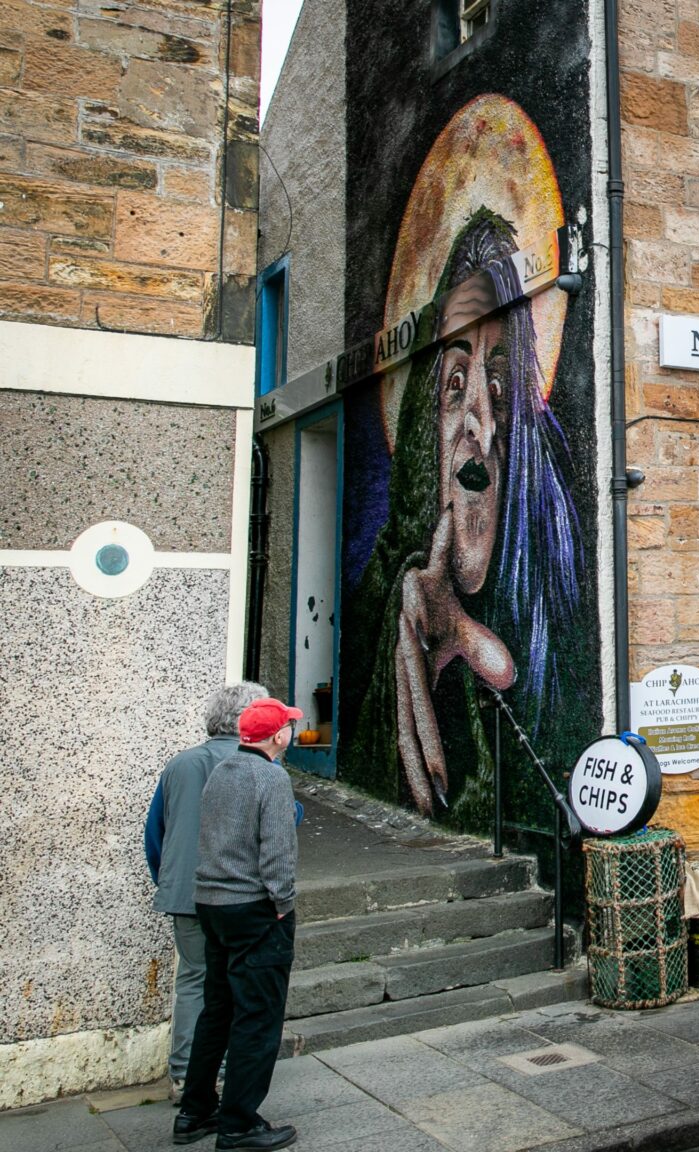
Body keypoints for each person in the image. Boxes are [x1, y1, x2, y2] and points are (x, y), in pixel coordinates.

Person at [341, 207, 584, 828]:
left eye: (499, 387)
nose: (479, 419)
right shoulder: (389, 585)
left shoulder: (557, 557)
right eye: (455, 383)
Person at [172, 696, 301, 1151]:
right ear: (276, 736)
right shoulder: (271, 777)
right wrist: (283, 904)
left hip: (211, 904)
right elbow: (277, 854)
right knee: (258, 1017)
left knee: (218, 1008)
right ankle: (239, 1123)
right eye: (287, 725)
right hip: (254, 908)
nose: (289, 731)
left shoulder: (221, 771)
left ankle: (195, 1111)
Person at [145, 681, 268, 1104]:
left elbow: (154, 834)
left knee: (193, 980)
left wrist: (171, 878)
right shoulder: (253, 764)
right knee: (238, 983)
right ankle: (229, 1072)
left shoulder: (179, 764)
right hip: (236, 895)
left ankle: (184, 1075)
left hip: (183, 889)